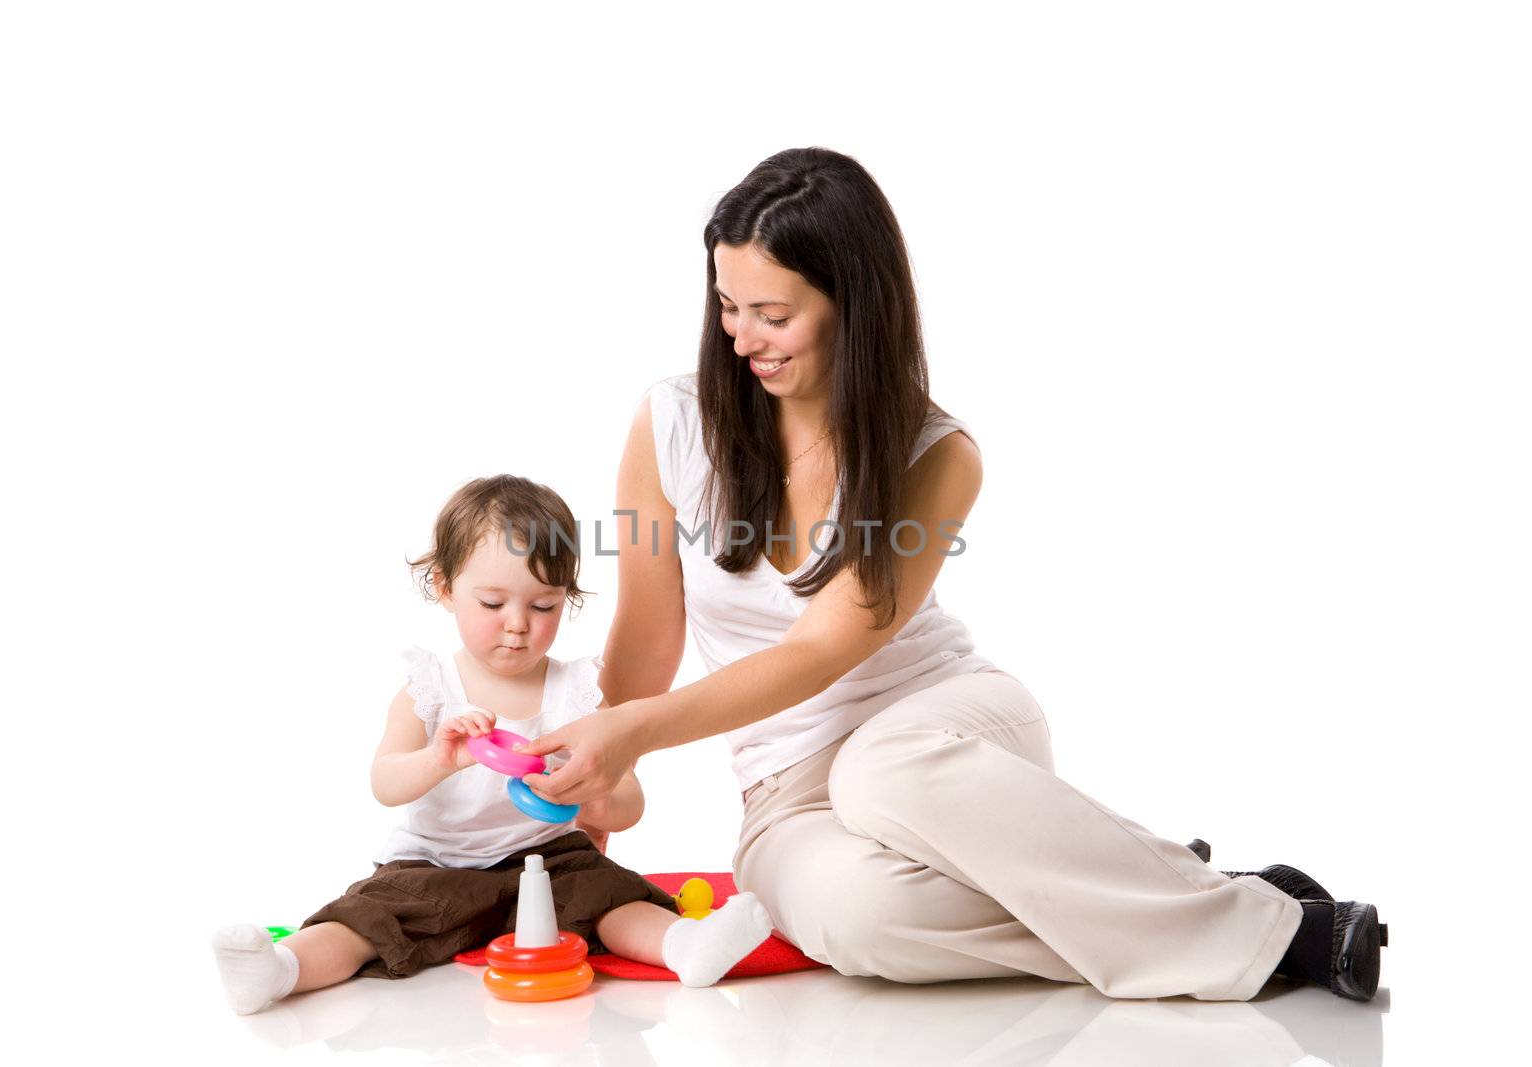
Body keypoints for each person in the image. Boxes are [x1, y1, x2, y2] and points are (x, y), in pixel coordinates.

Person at [514, 147, 1387, 1002]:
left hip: (940, 731)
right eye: (728, 306)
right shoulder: (669, 424)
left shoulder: (938, 455)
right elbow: (645, 639)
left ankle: (1281, 933)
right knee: (857, 921)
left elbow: (822, 648)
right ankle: (1139, 880)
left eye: (773, 315)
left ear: (852, 304)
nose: (743, 338)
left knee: (878, 770)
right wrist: (597, 777)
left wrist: (632, 731)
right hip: (783, 785)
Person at [211, 475, 773, 1015]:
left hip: (551, 860)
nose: (518, 625)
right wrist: (438, 758)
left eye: (543, 606)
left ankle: (686, 948)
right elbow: (385, 782)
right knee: (368, 919)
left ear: (566, 600)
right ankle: (279, 970)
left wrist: (591, 797)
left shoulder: (575, 692)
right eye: (493, 603)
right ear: (446, 588)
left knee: (613, 896)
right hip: (436, 862)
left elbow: (630, 802)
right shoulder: (430, 689)